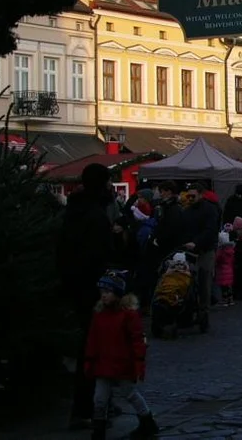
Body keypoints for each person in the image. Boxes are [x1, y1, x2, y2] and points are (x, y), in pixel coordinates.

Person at [57, 164, 119, 428]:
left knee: (91, 348)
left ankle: (98, 402)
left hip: (76, 286)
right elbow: (98, 256)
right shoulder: (94, 215)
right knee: (94, 349)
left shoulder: (73, 211)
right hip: (92, 290)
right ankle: (88, 407)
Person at [83, 271, 158, 440]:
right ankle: (98, 430)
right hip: (103, 364)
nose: (103, 296)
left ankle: (147, 421)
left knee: (130, 394)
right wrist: (90, 360)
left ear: (117, 293)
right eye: (102, 293)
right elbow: (92, 339)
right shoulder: (99, 314)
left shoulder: (128, 315)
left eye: (107, 292)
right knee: (99, 398)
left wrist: (139, 362)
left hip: (123, 364)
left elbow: (137, 340)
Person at [178, 188, 220, 316]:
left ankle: (204, 312)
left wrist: (196, 242)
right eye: (188, 196)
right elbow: (183, 228)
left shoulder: (210, 209)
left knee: (204, 280)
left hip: (205, 249)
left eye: (193, 196)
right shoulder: (187, 211)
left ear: (201, 195)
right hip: (189, 249)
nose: (190, 198)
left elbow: (210, 230)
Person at [214, 231, 235, 306]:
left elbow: (217, 259)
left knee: (223, 287)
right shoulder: (231, 251)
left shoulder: (221, 251)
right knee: (229, 286)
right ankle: (231, 299)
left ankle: (225, 300)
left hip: (222, 270)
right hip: (229, 269)